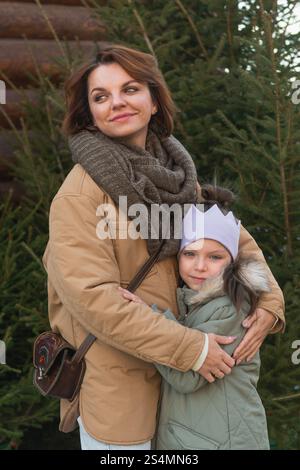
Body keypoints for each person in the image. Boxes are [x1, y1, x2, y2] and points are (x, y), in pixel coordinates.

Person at [42, 43, 285, 450]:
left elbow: (237, 243)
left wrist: (270, 303)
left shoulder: (177, 177)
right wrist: (188, 348)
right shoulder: (79, 195)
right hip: (122, 389)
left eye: (131, 89)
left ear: (154, 100)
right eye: (100, 97)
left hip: (190, 397)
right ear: (90, 113)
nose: (117, 102)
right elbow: (93, 299)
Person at [119, 184, 272, 450]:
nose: (200, 266)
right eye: (190, 254)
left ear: (232, 261)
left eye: (214, 257)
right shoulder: (195, 302)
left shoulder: (231, 307)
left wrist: (148, 317)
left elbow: (187, 376)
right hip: (198, 437)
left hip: (224, 441)